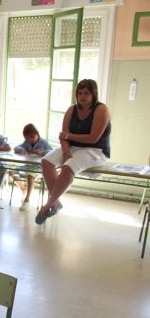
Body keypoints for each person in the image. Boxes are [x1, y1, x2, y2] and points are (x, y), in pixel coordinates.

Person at [36, 79, 111, 225]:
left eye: (87, 93)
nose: (83, 96)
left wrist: (69, 137)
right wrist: (65, 151)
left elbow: (93, 138)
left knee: (68, 167)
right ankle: (56, 202)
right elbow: (62, 136)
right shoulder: (72, 109)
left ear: (93, 94)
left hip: (95, 149)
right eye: (80, 93)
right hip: (72, 147)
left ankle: (48, 204)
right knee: (46, 161)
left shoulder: (101, 109)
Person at [9, 124, 52, 211]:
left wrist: (42, 153)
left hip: (39, 168)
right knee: (10, 172)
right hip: (27, 165)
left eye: (32, 137)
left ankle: (27, 199)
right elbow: (16, 148)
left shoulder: (43, 142)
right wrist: (22, 150)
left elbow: (52, 151)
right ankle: (23, 188)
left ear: (37, 134)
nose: (30, 140)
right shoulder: (27, 142)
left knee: (30, 175)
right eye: (27, 138)